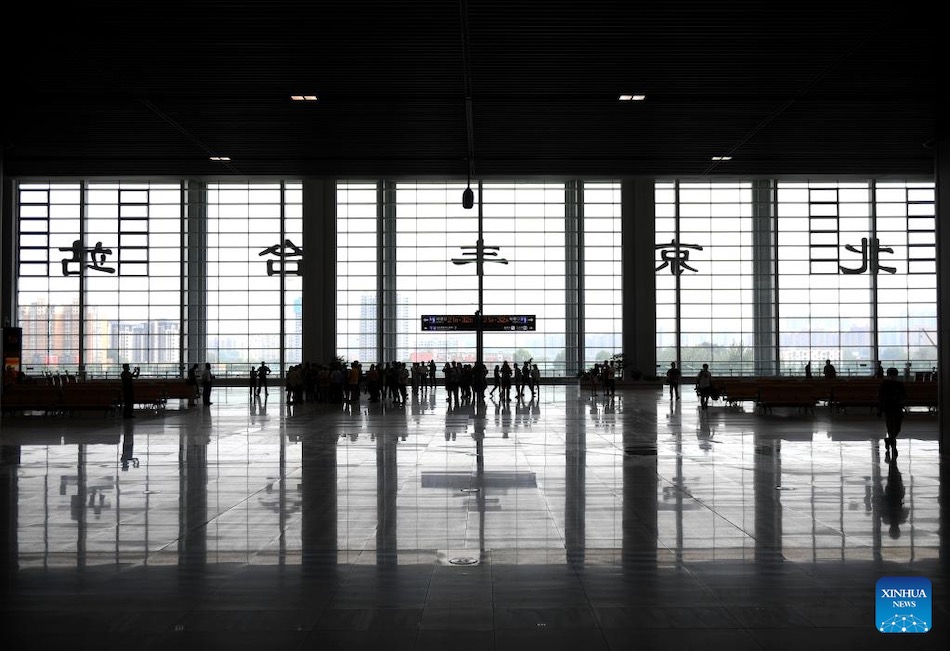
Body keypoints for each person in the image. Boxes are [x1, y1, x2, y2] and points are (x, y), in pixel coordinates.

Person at [877, 366, 907, 462]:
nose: (893, 377)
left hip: (895, 407)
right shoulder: (885, 384)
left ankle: (889, 440)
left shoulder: (898, 384)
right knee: (891, 427)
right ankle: (893, 445)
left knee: (897, 427)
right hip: (889, 408)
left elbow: (904, 395)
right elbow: (881, 397)